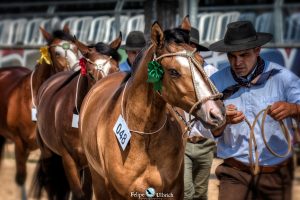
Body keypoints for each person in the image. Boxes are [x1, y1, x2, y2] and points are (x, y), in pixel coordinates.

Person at [194, 21, 300, 200]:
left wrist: (294, 109)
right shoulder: (215, 83)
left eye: (244, 55)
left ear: (257, 50)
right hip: (235, 172)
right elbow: (204, 128)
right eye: (232, 56)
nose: (238, 62)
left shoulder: (283, 78)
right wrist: (222, 121)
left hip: (276, 173)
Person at [184, 27, 218, 200]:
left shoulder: (211, 72)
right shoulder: (176, 73)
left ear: (195, 46)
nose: (187, 48)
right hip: (183, 142)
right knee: (187, 193)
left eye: (190, 44)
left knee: (200, 194)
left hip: (205, 142)